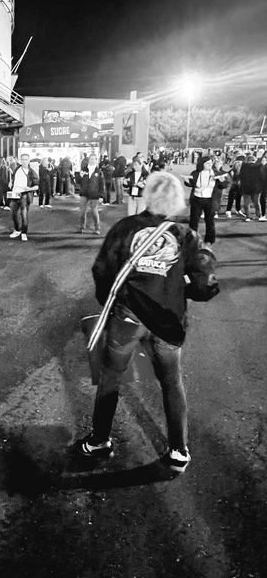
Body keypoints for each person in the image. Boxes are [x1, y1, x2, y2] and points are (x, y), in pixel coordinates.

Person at [75, 171, 220, 473]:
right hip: (168, 321)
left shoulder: (125, 228)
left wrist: (110, 302)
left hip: (128, 316)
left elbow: (102, 270)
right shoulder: (186, 236)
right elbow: (206, 284)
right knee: (171, 382)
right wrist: (183, 292)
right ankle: (179, 450)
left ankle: (99, 441)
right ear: (178, 200)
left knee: (111, 376)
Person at [184, 155, 227, 245]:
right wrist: (186, 181)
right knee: (194, 220)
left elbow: (223, 185)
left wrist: (222, 181)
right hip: (197, 198)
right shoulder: (196, 173)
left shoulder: (215, 173)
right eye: (207, 163)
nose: (210, 165)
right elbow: (191, 183)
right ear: (202, 164)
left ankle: (209, 240)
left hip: (210, 199)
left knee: (209, 220)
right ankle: (192, 238)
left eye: (211, 163)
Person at [7, 153, 38, 242]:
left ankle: (24, 232)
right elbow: (13, 179)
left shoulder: (32, 172)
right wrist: (11, 183)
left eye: (26, 159)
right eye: (22, 159)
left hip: (24, 195)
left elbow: (37, 186)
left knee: (24, 215)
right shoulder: (16, 169)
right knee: (13, 214)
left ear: (28, 161)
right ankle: (17, 230)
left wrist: (29, 188)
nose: (24, 161)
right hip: (15, 194)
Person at [77, 153, 103, 235]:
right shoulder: (83, 170)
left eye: (94, 159)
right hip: (84, 193)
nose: (92, 160)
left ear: (96, 160)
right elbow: (77, 182)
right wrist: (79, 176)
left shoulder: (99, 171)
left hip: (94, 194)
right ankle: (81, 227)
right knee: (82, 211)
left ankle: (97, 228)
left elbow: (102, 184)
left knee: (94, 211)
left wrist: (101, 195)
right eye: (91, 159)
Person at [239, 154, 264, 221]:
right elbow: (262, 177)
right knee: (256, 202)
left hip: (246, 186)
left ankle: (248, 216)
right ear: (254, 160)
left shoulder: (243, 166)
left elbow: (240, 176)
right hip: (256, 187)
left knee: (246, 202)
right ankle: (259, 215)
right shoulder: (259, 166)